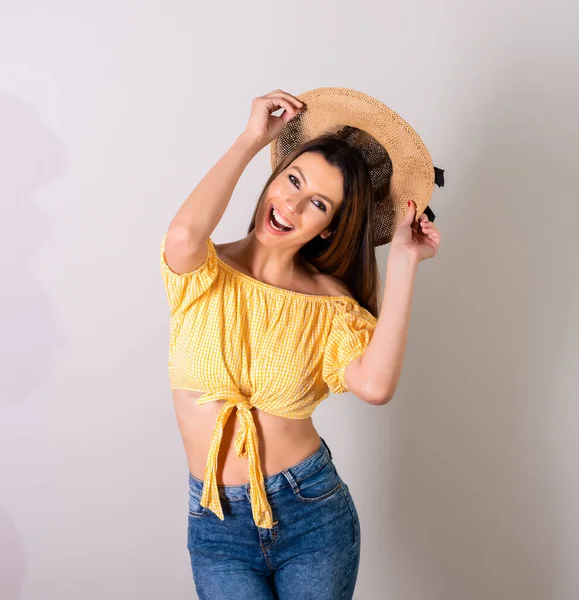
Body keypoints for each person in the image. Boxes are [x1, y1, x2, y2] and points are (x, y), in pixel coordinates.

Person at [160, 88, 441, 599]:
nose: (290, 204)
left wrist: (402, 261)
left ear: (330, 230)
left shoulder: (330, 306)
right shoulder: (202, 272)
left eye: (317, 203)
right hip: (216, 520)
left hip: (310, 513)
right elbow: (181, 236)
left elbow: (375, 386)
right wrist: (251, 139)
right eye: (292, 180)